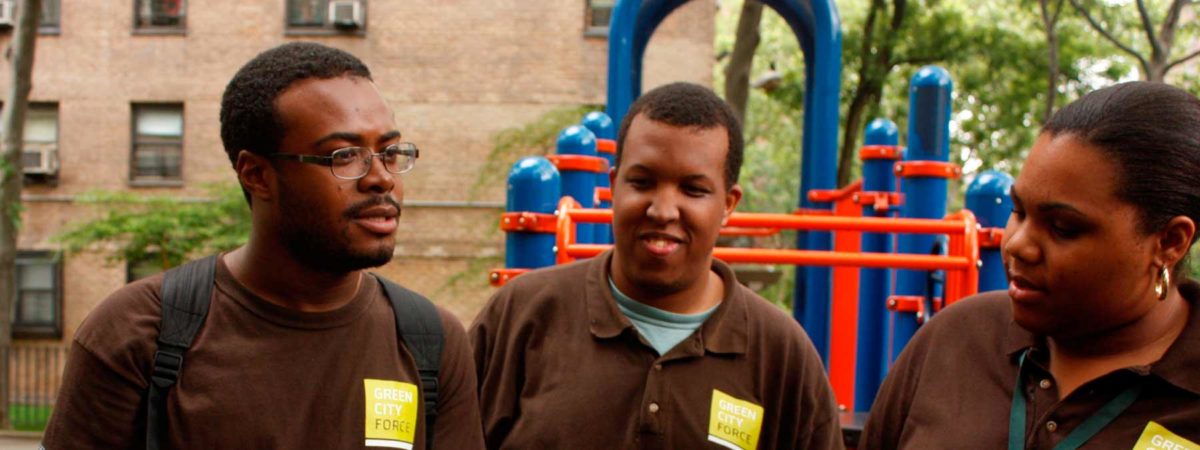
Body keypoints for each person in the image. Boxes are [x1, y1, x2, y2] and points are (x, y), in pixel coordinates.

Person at [42, 42, 485, 449]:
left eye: (389, 151)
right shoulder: (139, 331)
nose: (382, 178)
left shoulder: (431, 341)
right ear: (256, 175)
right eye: (344, 156)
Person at [470, 82, 843, 449]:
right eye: (642, 182)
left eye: (693, 190)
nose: (663, 210)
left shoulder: (779, 352)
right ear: (614, 186)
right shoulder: (522, 315)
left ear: (728, 204)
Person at [860, 81, 1200, 448]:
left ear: (1169, 242)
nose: (1019, 245)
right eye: (1018, 212)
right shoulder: (955, 339)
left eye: (1063, 228)